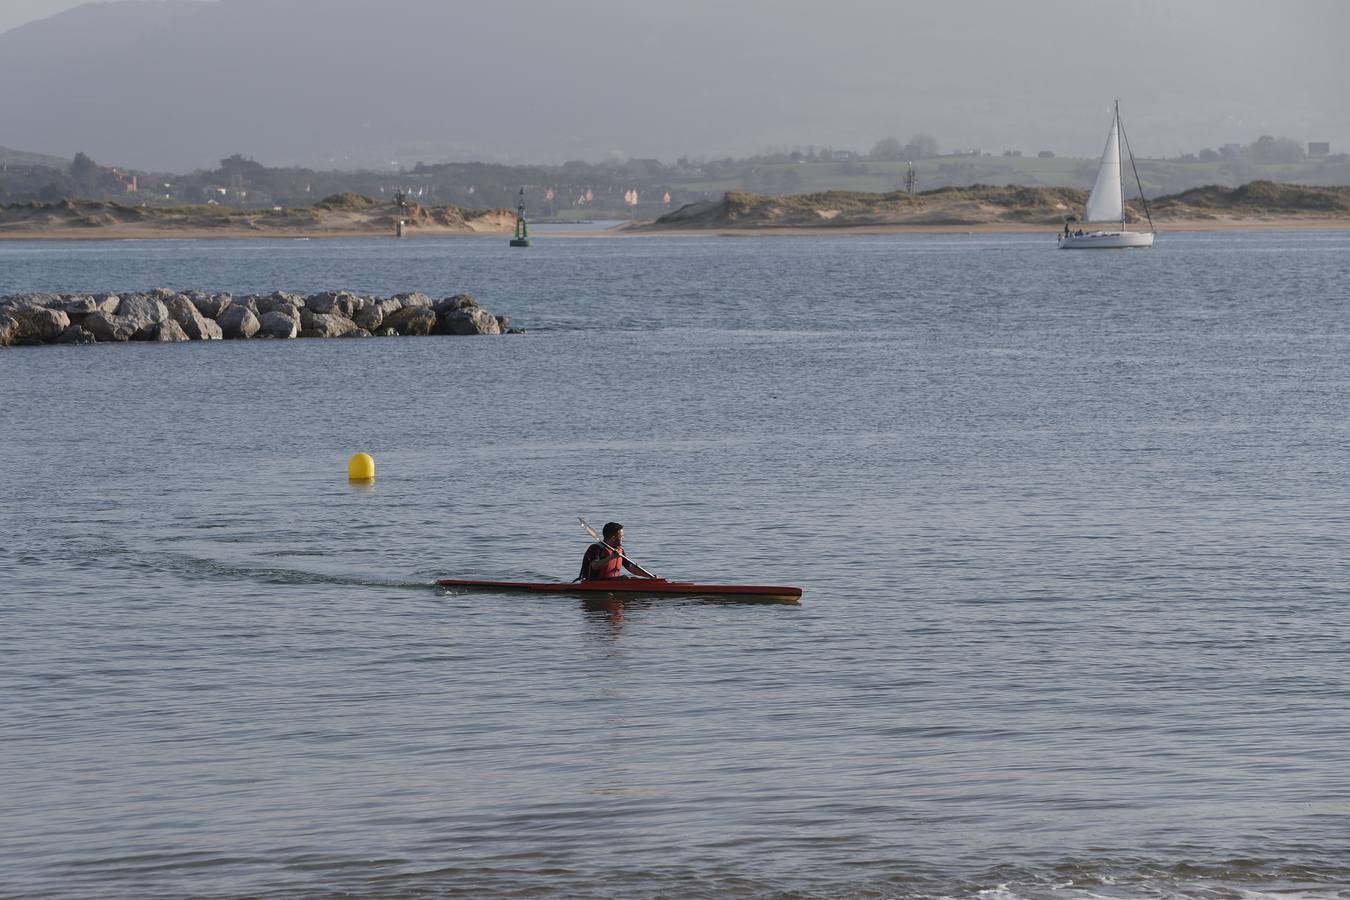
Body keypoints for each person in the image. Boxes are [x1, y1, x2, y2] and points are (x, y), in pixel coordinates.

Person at [578, 522, 656, 581]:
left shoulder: (620, 550)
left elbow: (631, 568)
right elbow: (594, 566)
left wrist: (649, 576)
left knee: (632, 578)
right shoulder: (595, 548)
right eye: (621, 536)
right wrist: (611, 557)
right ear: (613, 538)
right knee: (625, 578)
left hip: (613, 581)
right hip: (594, 582)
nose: (623, 538)